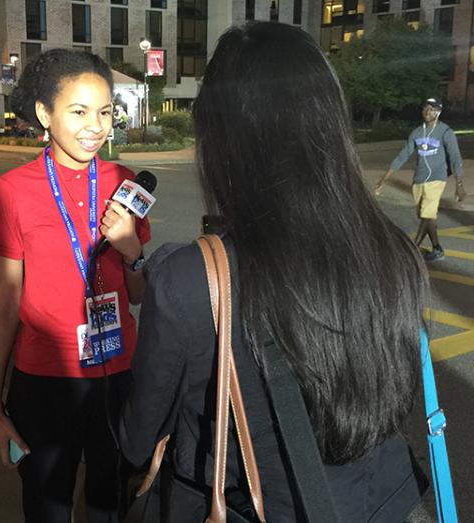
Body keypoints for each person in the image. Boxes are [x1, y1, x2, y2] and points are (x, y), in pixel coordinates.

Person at [119, 22, 428, 522]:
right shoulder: (393, 251)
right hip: (378, 502)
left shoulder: (191, 278)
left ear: (221, 141)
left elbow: (138, 440)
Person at [0, 48, 150, 523]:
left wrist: (131, 250)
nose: (95, 126)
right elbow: (5, 306)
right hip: (45, 381)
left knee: (110, 502)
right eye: (78, 112)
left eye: (103, 112)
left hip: (119, 377)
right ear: (44, 113)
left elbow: (136, 294)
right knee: (47, 504)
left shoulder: (125, 182)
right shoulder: (12, 190)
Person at [374, 98, 465, 262]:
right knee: (427, 217)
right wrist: (384, 179)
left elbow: (455, 158)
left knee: (426, 215)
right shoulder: (417, 132)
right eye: (425, 109)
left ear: (438, 112)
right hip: (419, 180)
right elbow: (403, 155)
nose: (427, 112)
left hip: (437, 179)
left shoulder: (446, 132)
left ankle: (413, 250)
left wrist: (459, 185)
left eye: (431, 109)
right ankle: (437, 249)